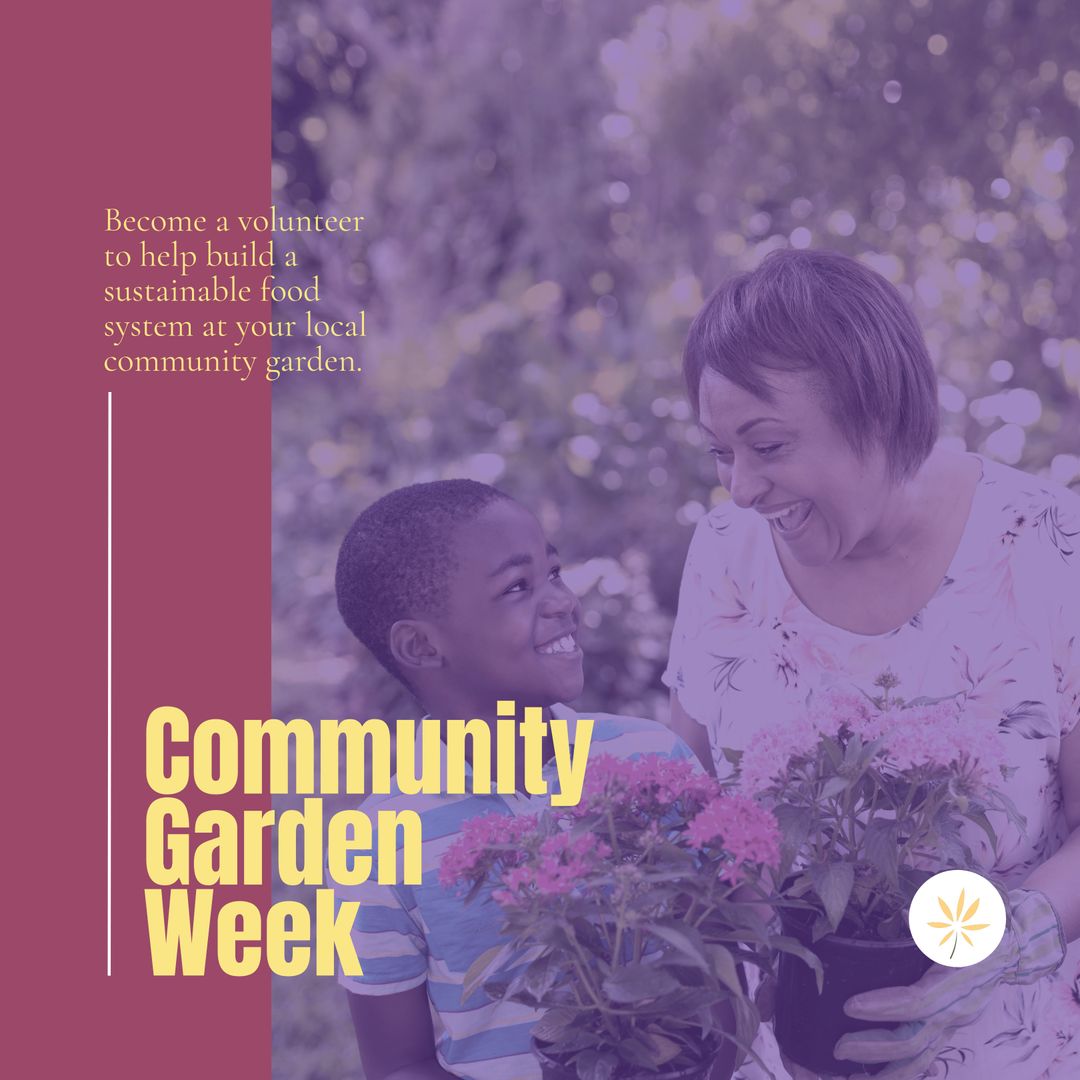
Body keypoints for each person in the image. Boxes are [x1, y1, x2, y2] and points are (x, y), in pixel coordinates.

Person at [664, 249, 1080, 1080]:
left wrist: (1019, 930)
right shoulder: (724, 555)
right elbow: (696, 800)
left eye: (768, 444)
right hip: (779, 1054)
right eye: (720, 453)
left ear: (879, 413)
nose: (740, 488)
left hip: (1007, 1049)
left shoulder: (1045, 546)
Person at [333, 479, 699, 1080]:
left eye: (553, 572)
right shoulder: (378, 842)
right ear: (422, 645)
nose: (562, 601)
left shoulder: (652, 758)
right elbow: (398, 1065)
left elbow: (724, 974)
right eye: (518, 588)